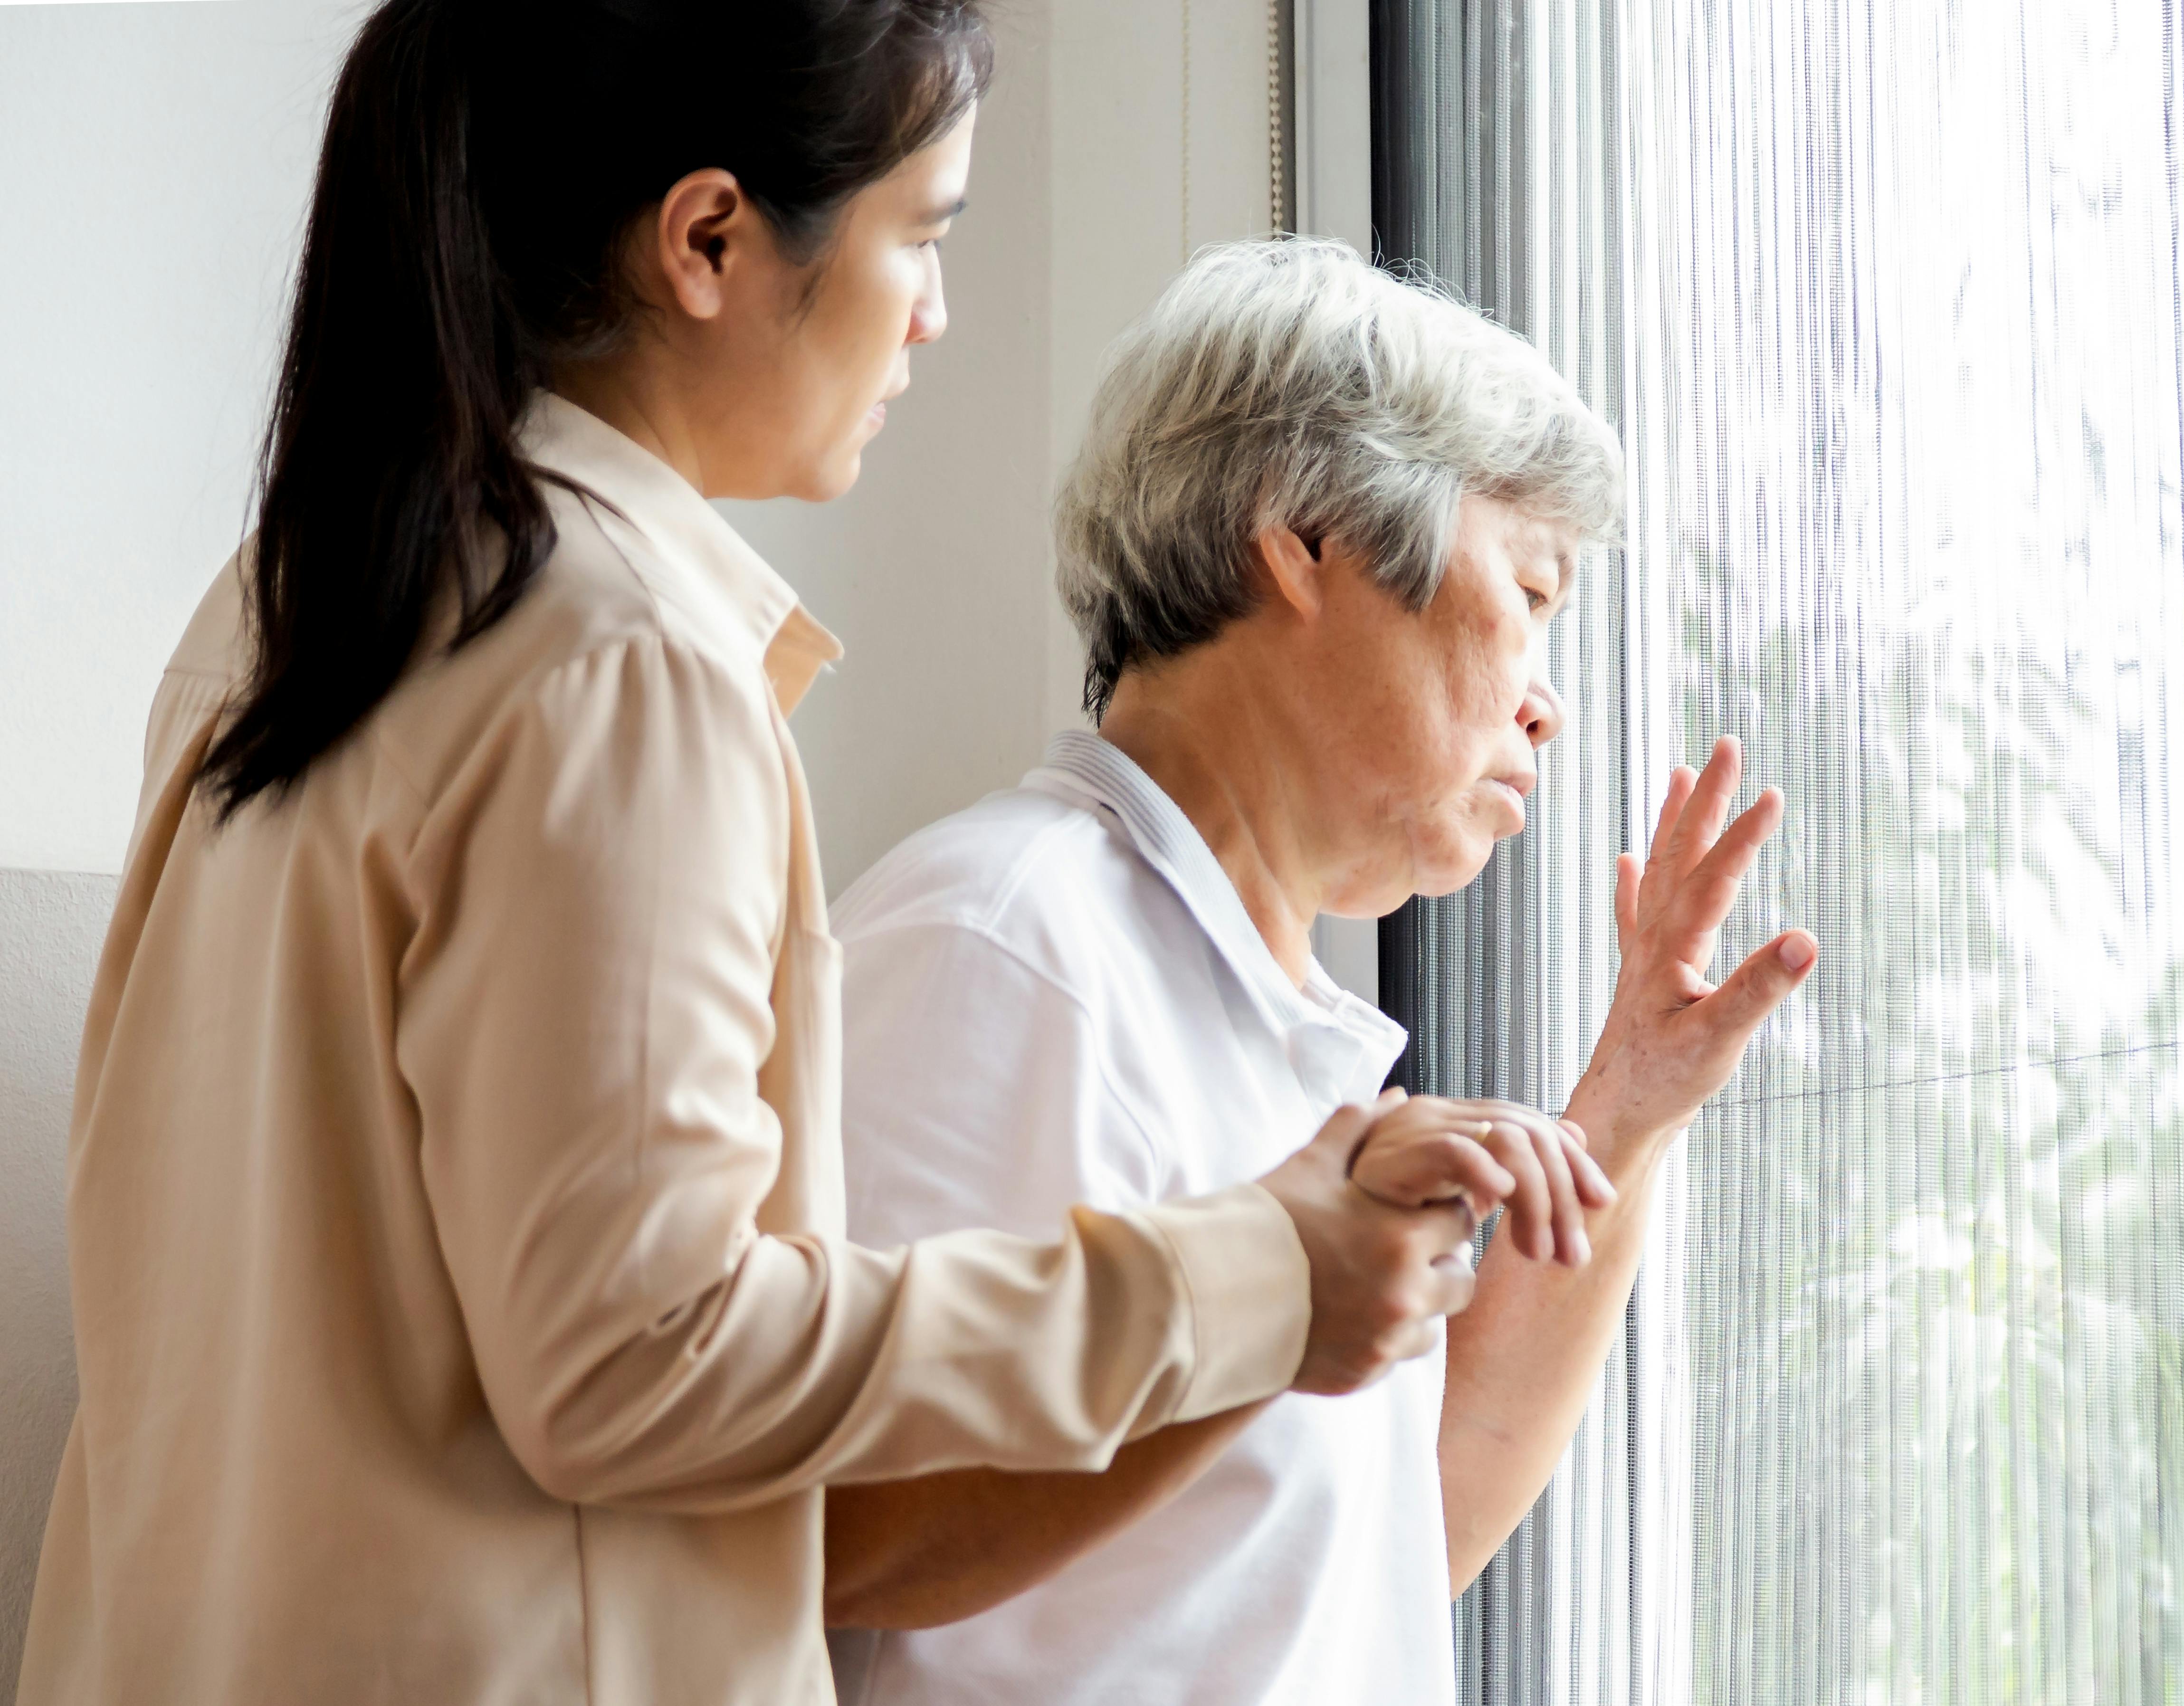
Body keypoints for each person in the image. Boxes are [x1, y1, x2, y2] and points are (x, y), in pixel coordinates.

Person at [16, 12, 1583, 1705]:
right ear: (708, 241)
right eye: (922, 234)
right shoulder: (621, 670)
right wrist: (1251, 1276)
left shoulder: (289, 605)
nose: (933, 315)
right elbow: (642, 1356)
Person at [820, 239, 1821, 1705]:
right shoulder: (999, 946)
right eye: (1528, 593)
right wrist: (1275, 1300)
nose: (1545, 704)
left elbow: (1397, 1545)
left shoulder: (1271, 1022)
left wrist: (1629, 1105)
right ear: (1303, 538)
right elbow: (824, 1536)